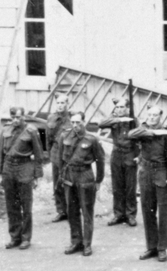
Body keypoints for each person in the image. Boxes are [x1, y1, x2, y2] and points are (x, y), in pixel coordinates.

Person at [128, 106, 167, 262]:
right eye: (149, 115)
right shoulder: (143, 130)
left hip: (162, 173)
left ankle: (162, 248)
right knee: (147, 211)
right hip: (145, 173)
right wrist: (149, 132)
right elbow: (130, 134)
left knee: (163, 213)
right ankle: (151, 247)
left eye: (155, 115)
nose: (152, 118)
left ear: (161, 116)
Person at [58, 111, 106, 256]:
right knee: (72, 211)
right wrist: (62, 177)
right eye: (73, 122)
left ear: (84, 122)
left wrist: (98, 180)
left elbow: (100, 160)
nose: (75, 125)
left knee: (87, 212)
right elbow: (61, 159)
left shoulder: (91, 139)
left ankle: (87, 244)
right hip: (69, 177)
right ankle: (75, 242)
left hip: (85, 176)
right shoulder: (64, 136)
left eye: (78, 122)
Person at [0, 107, 45, 250]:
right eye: (13, 117)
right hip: (9, 169)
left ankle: (26, 238)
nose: (15, 120)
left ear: (23, 116)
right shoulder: (5, 130)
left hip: (24, 167)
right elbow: (1, 153)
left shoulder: (31, 131)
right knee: (11, 205)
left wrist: (37, 175)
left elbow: (38, 154)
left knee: (26, 205)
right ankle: (15, 237)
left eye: (18, 117)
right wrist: (0, 173)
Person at [98, 97, 140, 227]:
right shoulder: (113, 119)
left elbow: (141, 136)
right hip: (116, 154)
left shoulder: (133, 120)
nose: (120, 109)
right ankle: (118, 214)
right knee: (117, 186)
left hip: (129, 154)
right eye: (118, 107)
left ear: (127, 108)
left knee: (130, 186)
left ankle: (131, 215)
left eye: (122, 107)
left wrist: (139, 155)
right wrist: (117, 118)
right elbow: (101, 124)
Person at [46, 94, 71, 224]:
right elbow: (48, 138)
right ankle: (61, 211)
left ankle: (72, 210)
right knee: (57, 184)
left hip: (68, 154)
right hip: (56, 153)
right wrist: (50, 153)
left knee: (69, 183)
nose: (60, 105)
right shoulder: (51, 118)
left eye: (63, 103)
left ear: (67, 104)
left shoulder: (72, 118)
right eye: (58, 103)